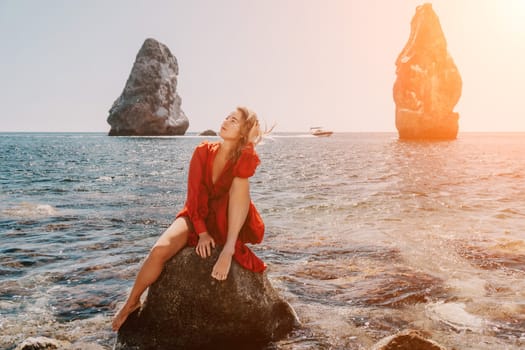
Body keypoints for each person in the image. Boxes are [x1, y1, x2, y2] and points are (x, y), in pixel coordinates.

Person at [112, 106, 268, 331]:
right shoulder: (203, 151)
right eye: (226, 117)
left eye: (233, 121)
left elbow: (241, 186)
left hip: (228, 219)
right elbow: (194, 196)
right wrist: (202, 232)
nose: (225, 121)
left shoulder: (244, 156)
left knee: (241, 181)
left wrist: (226, 250)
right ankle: (132, 301)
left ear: (243, 131)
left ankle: (229, 248)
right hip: (197, 214)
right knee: (159, 250)